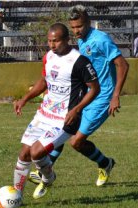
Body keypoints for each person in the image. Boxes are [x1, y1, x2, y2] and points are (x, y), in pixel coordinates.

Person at [28, 4, 129, 196]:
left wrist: (115, 96)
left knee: (75, 141)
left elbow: (122, 65)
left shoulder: (101, 40)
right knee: (64, 130)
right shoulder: (81, 41)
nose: (76, 31)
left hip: (102, 97)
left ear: (88, 22)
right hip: (85, 96)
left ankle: (105, 163)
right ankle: (44, 176)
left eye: (79, 27)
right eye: (73, 28)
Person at [13, 23, 100, 200]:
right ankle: (17, 195)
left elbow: (95, 89)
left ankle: (49, 177)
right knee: (24, 154)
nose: (52, 45)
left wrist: (77, 110)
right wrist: (25, 98)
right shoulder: (48, 57)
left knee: (37, 153)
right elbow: (44, 81)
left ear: (67, 39)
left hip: (66, 119)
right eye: (49, 41)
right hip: (44, 114)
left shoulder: (80, 61)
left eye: (56, 41)